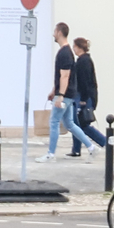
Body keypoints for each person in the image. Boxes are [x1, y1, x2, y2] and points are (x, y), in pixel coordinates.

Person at [65, 36, 109, 156]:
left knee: (82, 124)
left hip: (83, 97)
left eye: (74, 46)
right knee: (76, 123)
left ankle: (104, 141)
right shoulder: (84, 60)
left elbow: (85, 82)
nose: (73, 49)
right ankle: (76, 149)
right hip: (84, 96)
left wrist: (84, 99)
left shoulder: (83, 61)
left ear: (79, 47)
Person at [45, 23, 77, 157]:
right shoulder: (66, 51)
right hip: (67, 93)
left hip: (65, 94)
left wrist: (60, 95)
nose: (53, 34)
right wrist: (54, 90)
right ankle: (91, 147)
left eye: (54, 31)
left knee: (54, 122)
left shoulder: (64, 53)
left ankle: (50, 153)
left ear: (59, 32)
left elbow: (65, 76)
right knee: (69, 123)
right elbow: (60, 77)